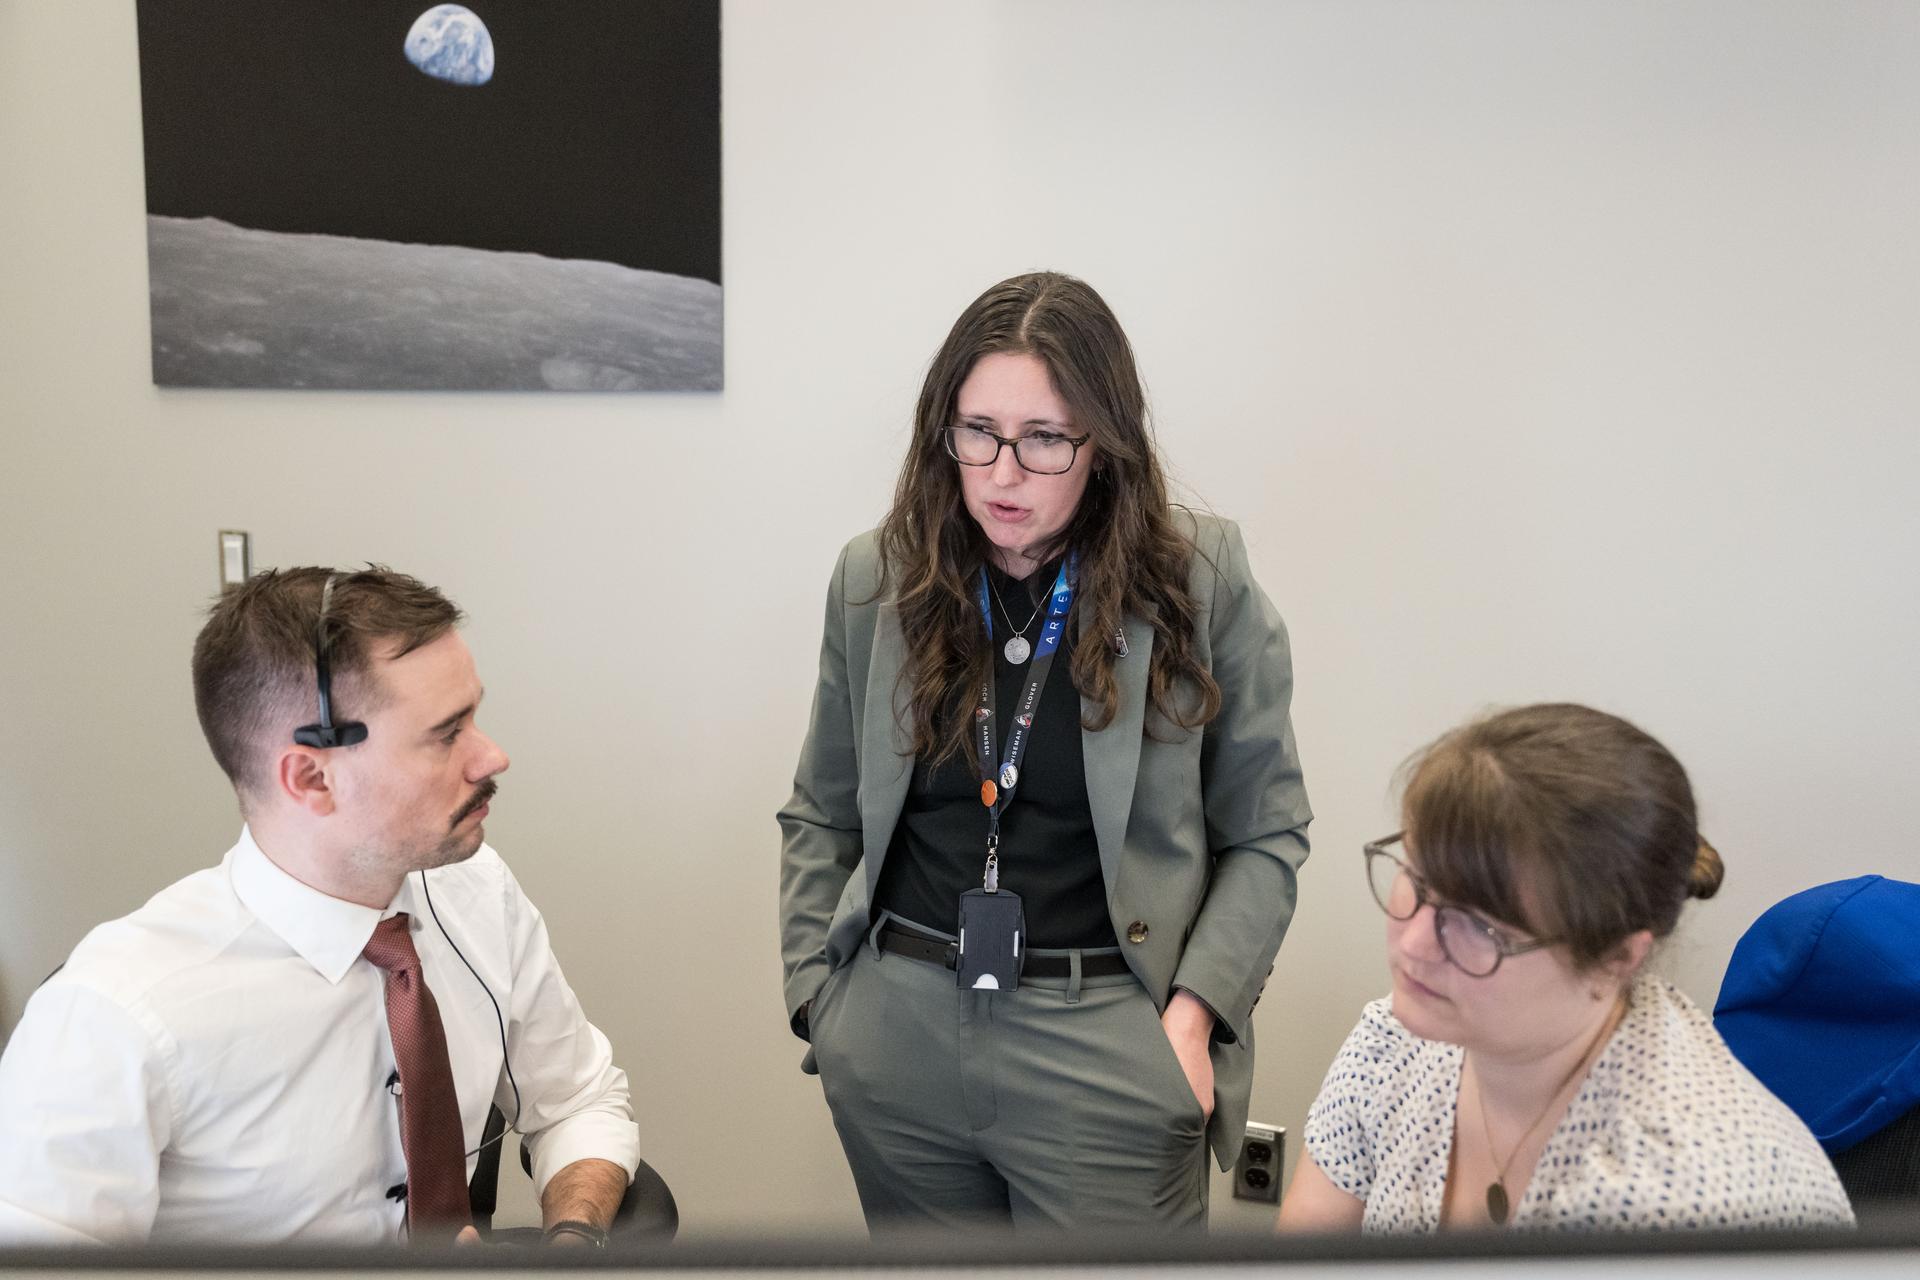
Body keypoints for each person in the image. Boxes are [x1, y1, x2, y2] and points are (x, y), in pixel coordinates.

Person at [777, 271, 1312, 1231]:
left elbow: (1266, 834)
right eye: (976, 432)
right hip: (900, 1030)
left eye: (1044, 440)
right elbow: (821, 808)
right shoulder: (878, 575)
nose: (1002, 472)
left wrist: (1189, 1022)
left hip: (1106, 1032)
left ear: (1104, 444)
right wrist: (822, 1001)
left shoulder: (1199, 579)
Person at [0, 567, 639, 1247]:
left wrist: (573, 1243)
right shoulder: (112, 1016)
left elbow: (579, 1100)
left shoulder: (476, 889)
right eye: (447, 734)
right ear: (311, 776)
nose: (492, 756)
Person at [1277, 703, 1853, 1234]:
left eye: (1482, 926)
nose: (1416, 943)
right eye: (1419, 881)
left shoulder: (1690, 1199)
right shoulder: (1392, 1044)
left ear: (1616, 958)